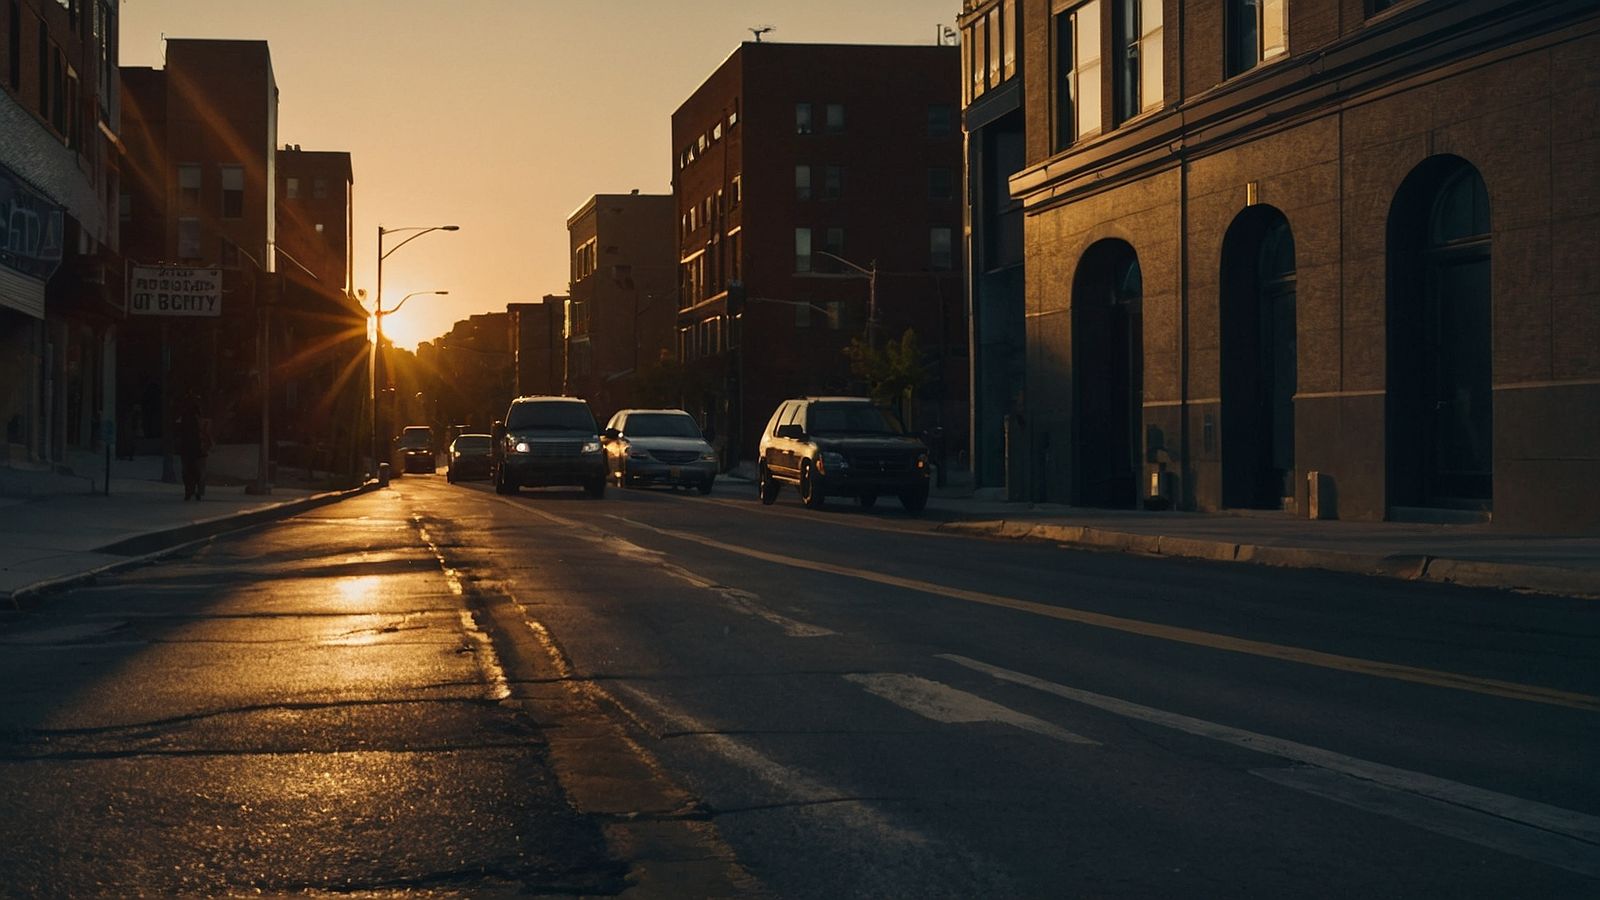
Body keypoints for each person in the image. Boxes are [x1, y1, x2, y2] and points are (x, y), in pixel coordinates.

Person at [176, 394, 210, 500]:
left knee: (188, 471)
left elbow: (180, 433)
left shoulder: (184, 418)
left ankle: (189, 490)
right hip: (197, 449)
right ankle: (198, 491)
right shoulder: (199, 419)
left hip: (187, 449)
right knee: (199, 471)